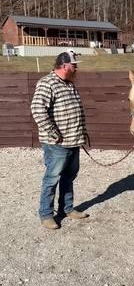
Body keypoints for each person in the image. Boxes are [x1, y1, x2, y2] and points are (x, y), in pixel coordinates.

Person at [31, 51, 88, 230]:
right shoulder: (47, 83)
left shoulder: (69, 84)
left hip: (73, 141)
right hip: (57, 144)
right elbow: (37, 110)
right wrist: (54, 133)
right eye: (74, 64)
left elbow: (77, 111)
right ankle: (46, 214)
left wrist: (82, 132)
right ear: (64, 66)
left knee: (69, 177)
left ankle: (67, 208)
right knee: (52, 179)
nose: (76, 67)